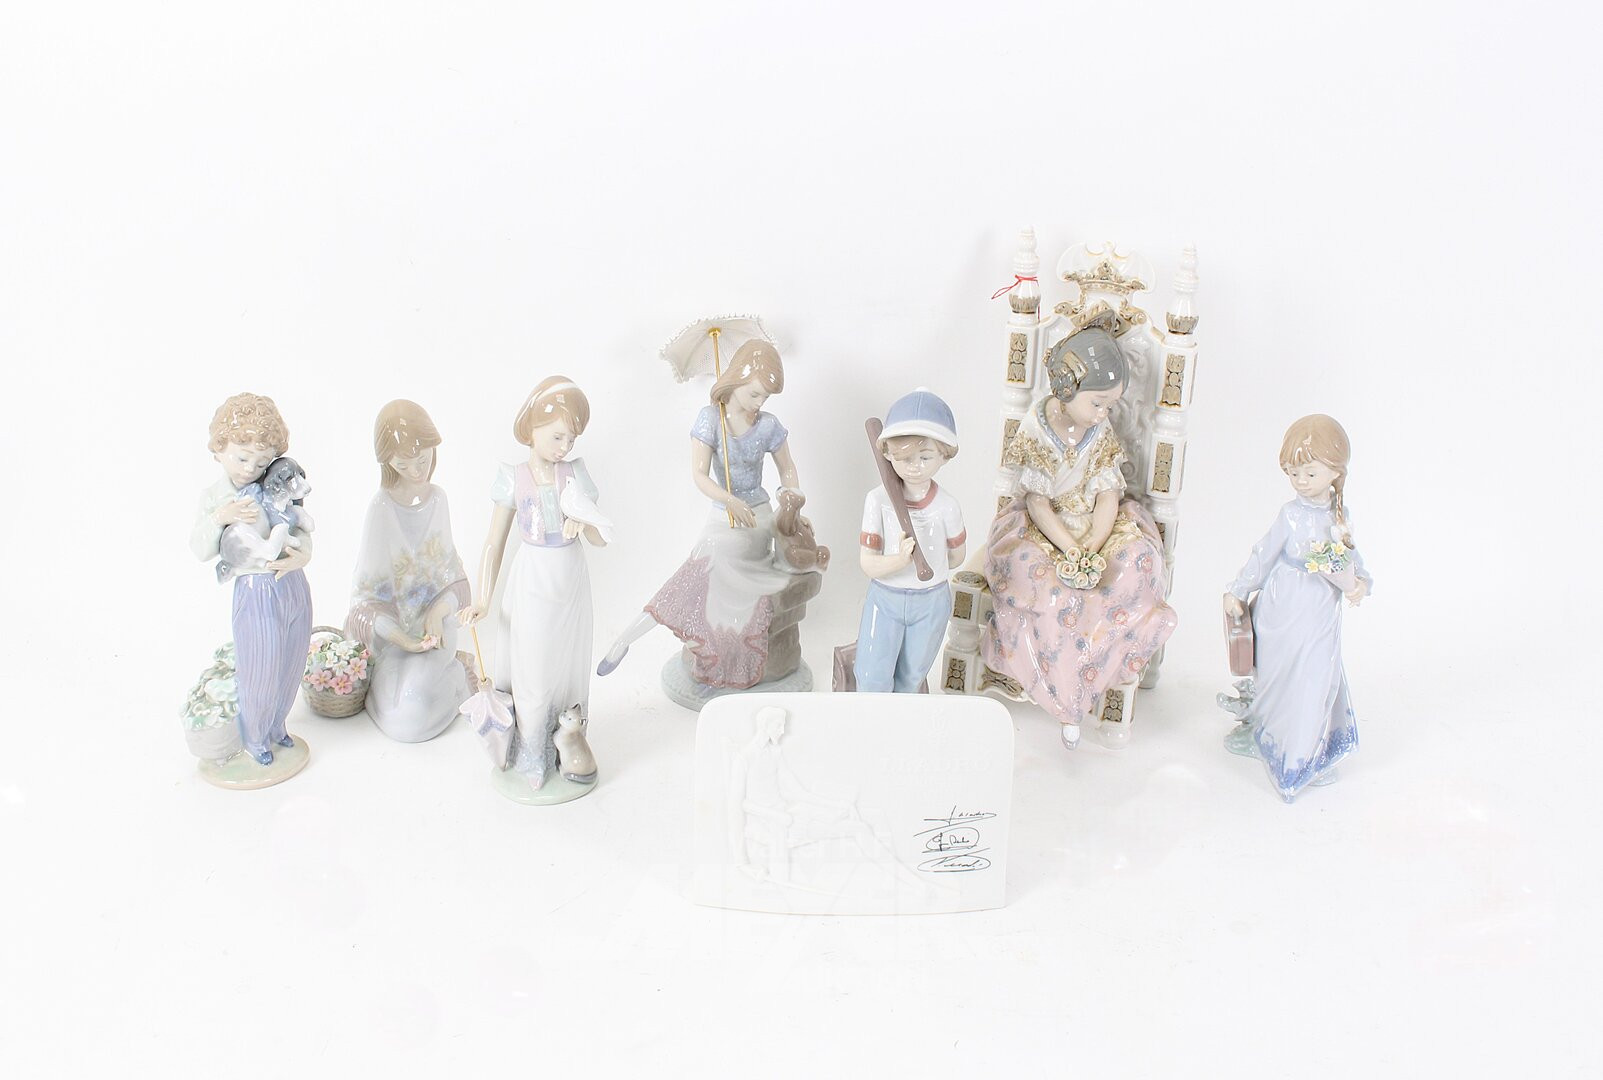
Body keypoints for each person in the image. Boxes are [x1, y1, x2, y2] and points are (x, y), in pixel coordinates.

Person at [980, 324, 1176, 749]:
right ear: (1067, 387)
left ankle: (1105, 662)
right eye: (1097, 403)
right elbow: (1037, 503)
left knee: (1136, 562)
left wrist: (1093, 545)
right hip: (1044, 527)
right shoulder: (1037, 427)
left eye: (1111, 405)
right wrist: (1069, 549)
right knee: (1052, 589)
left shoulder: (1099, 432)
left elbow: (1108, 494)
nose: (1103, 413)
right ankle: (1065, 693)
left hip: (1092, 526)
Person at [598, 340, 810, 689]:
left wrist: (792, 498)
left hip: (759, 517)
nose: (760, 403)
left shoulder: (769, 425)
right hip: (724, 515)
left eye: (766, 397)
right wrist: (728, 499)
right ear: (736, 380)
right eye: (755, 393)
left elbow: (788, 470)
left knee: (725, 566)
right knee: (699, 566)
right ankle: (628, 636)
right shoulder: (710, 419)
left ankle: (722, 645)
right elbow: (699, 475)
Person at [462, 378, 608, 794]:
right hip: (533, 580)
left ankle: (568, 739)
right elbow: (494, 543)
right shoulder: (513, 478)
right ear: (532, 428)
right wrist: (483, 598)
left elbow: (600, 537)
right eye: (557, 436)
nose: (565, 446)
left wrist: (584, 523)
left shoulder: (575, 474)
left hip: (570, 578)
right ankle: (531, 750)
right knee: (533, 668)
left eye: (571, 438)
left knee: (567, 664)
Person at [1222, 414, 1371, 802]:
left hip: (1318, 610)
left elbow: (1351, 557)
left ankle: (1305, 753)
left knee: (1315, 678)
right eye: (1293, 473)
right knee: (1278, 677)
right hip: (1281, 606)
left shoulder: (1340, 518)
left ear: (1335, 472)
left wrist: (1358, 581)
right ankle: (1268, 736)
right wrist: (1238, 590)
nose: (1301, 482)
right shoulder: (1290, 515)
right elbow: (1263, 554)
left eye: (1310, 473)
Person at [190, 392, 312, 766]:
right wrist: (221, 517)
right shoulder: (216, 496)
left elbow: (298, 526)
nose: (250, 468)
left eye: (261, 461)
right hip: (256, 588)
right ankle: (256, 737)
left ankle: (277, 726)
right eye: (242, 458)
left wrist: (304, 554)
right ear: (219, 449)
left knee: (292, 659)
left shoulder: (274, 480)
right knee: (261, 666)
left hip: (291, 581)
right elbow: (200, 548)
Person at [345, 400, 471, 743]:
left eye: (422, 460)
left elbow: (456, 581)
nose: (416, 471)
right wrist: (402, 639)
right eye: (403, 463)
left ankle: (458, 677)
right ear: (387, 461)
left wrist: (439, 610)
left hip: (435, 631)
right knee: (396, 710)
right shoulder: (381, 507)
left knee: (412, 713)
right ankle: (439, 687)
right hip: (393, 638)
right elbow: (365, 601)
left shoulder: (439, 500)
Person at [855, 389, 966, 693]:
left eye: (926, 457)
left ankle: (904, 719)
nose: (915, 466)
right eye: (904, 458)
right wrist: (899, 561)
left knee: (911, 677)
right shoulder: (878, 500)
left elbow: (956, 558)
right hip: (885, 597)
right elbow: (868, 564)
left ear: (945, 455)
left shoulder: (947, 506)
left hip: (931, 600)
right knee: (872, 675)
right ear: (888, 454)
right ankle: (872, 718)